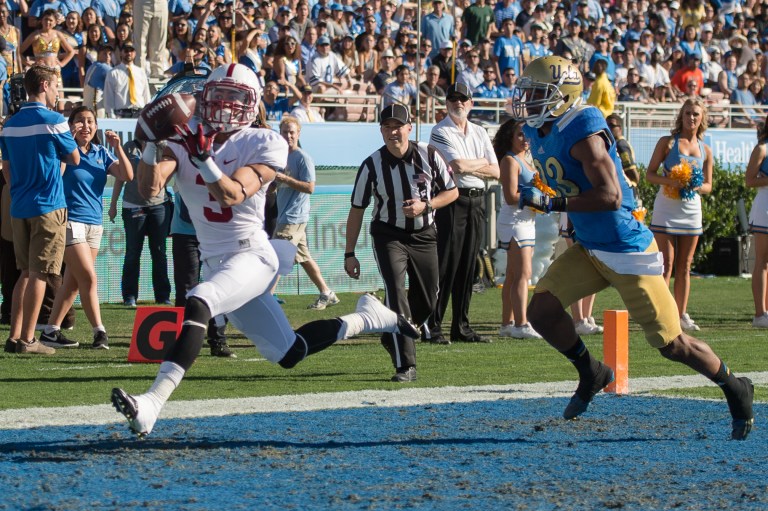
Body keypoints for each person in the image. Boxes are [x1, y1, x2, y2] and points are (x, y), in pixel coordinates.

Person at [111, 63, 419, 438]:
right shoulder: (187, 136)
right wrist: (150, 146)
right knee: (289, 353)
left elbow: (231, 195)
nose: (224, 106)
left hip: (252, 255)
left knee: (199, 301)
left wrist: (204, 159)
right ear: (204, 97)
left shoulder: (264, 141)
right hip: (217, 263)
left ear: (251, 103)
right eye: (218, 95)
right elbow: (149, 190)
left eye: (233, 97)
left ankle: (151, 404)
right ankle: (370, 318)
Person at [510, 55, 753, 441]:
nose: (528, 101)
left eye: (538, 94)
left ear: (563, 96)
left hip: (626, 249)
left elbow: (608, 195)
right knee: (541, 310)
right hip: (591, 245)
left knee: (673, 345)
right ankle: (592, 371)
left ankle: (734, 387)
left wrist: (554, 203)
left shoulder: (584, 128)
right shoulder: (542, 128)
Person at [344, 104, 458, 382]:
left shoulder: (430, 155)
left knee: (430, 298)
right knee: (396, 292)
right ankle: (405, 365)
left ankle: (391, 329)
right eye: (387, 126)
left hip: (424, 234)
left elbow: (452, 192)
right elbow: (357, 209)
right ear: (380, 130)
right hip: (389, 235)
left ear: (410, 127)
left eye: (398, 126)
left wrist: (426, 205)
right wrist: (349, 252)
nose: (393, 132)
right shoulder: (371, 165)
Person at [0, 65, 80, 355]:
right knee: (40, 274)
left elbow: (7, 172)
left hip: (19, 206)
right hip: (48, 206)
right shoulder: (55, 120)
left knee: (24, 272)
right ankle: (28, 340)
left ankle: (15, 336)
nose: (58, 91)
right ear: (45, 85)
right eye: (56, 85)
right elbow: (74, 158)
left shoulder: (10, 124)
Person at [38, 106, 133, 351]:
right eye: (80, 121)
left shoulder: (102, 152)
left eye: (90, 121)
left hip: (94, 223)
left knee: (74, 282)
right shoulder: (65, 152)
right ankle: (99, 331)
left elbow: (127, 175)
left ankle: (50, 331)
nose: (86, 126)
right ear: (71, 126)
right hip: (70, 220)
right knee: (89, 277)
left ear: (96, 127)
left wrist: (118, 147)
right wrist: (67, 141)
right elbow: (56, 175)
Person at [426, 82, 500, 344]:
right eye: (453, 98)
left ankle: (461, 327)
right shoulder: (440, 131)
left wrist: (471, 166)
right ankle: (432, 326)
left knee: (468, 266)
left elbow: (497, 171)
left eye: (463, 98)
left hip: (476, 201)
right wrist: (480, 163)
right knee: (445, 265)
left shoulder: (479, 131)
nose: (458, 102)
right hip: (452, 201)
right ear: (446, 103)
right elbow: (456, 166)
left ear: (471, 103)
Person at [645, 98, 713, 332]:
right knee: (666, 264)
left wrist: (694, 185)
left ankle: (682, 314)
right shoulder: (668, 142)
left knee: (685, 266)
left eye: (696, 114)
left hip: (692, 210)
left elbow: (708, 186)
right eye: (687, 114)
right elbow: (650, 175)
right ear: (681, 116)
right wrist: (672, 181)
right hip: (666, 207)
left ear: (702, 117)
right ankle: (663, 314)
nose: (691, 118)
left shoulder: (706, 150)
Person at [273, 116, 339, 310]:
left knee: (277, 258)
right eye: (285, 132)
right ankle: (327, 293)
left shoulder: (302, 157)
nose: (288, 136)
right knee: (304, 258)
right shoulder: (280, 156)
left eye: (292, 132)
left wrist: (284, 178)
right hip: (285, 215)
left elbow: (310, 187)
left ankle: (266, 299)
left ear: (298, 133)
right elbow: (277, 184)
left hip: (293, 216)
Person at [492, 119, 541, 339]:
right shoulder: (510, 161)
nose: (525, 139)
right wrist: (538, 198)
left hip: (527, 220)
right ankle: (521, 324)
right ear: (510, 137)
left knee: (513, 275)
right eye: (520, 135)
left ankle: (507, 324)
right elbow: (511, 196)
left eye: (527, 134)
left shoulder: (526, 159)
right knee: (523, 274)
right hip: (515, 221)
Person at [108, 140, 173, 307]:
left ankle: (163, 296)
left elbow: (168, 173)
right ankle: (129, 296)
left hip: (159, 205)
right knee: (132, 252)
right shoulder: (129, 147)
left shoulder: (162, 146)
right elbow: (121, 177)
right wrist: (113, 204)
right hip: (133, 206)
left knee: (159, 251)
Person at [744, 122, 768, 328]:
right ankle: (760, 314)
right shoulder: (762, 148)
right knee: (762, 260)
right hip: (765, 207)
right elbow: (749, 180)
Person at [104, 43, 151, 118]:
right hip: (121, 113)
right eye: (126, 51)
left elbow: (146, 95)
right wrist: (111, 116)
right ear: (121, 53)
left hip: (140, 112)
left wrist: (147, 113)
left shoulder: (141, 72)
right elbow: (108, 97)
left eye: (131, 51)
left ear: (135, 53)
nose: (129, 53)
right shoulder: (113, 73)